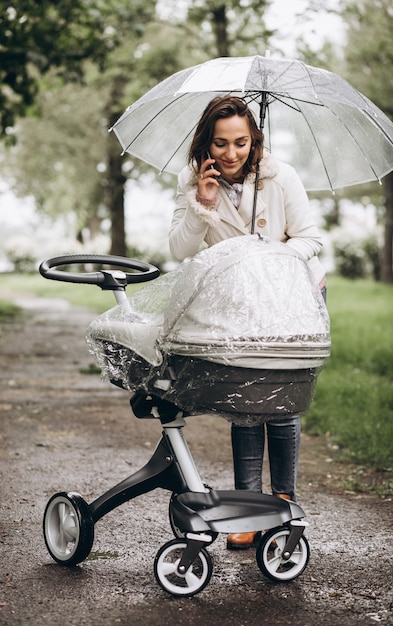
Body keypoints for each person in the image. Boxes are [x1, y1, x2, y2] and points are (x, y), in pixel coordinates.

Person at [169, 95, 326, 550]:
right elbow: (180, 250)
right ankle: (247, 507)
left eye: (241, 142)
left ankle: (283, 502)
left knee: (281, 403)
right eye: (220, 144)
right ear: (207, 143)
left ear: (254, 139)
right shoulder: (193, 181)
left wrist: (272, 258)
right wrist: (203, 201)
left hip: (291, 298)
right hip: (237, 306)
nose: (231, 154)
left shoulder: (280, 177)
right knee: (244, 400)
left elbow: (310, 238)